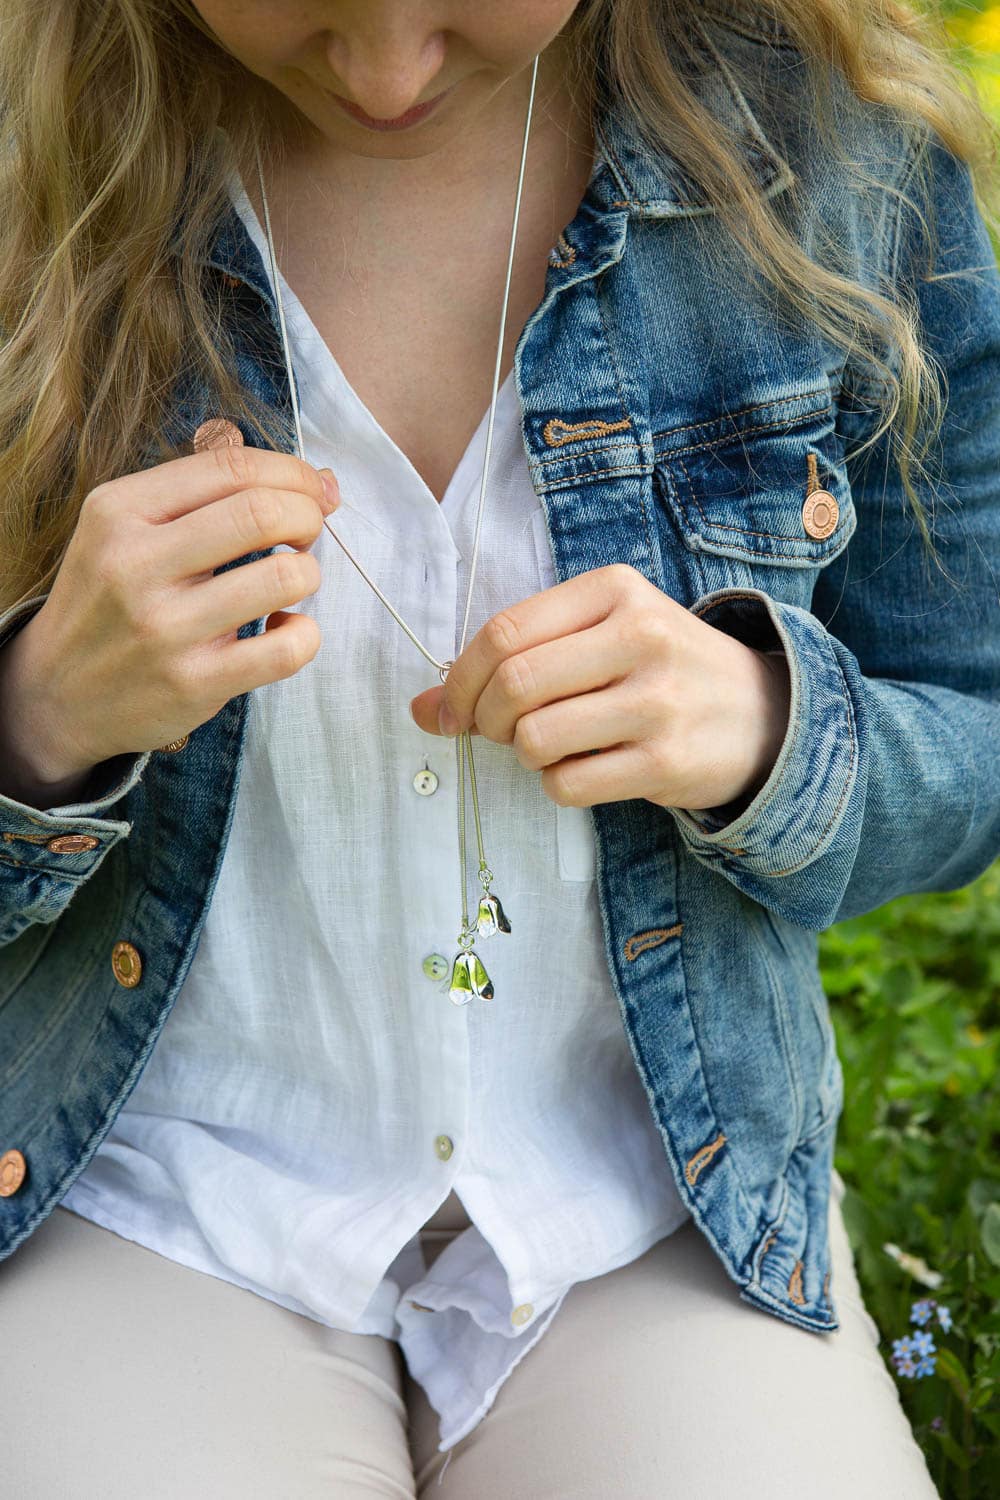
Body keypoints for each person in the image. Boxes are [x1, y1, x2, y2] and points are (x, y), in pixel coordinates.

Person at [0, 0, 997, 1494]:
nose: (390, 66)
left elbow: (974, 719)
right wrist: (41, 717)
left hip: (653, 1213)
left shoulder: (830, 162)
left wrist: (770, 734)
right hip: (143, 1188)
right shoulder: (31, 170)